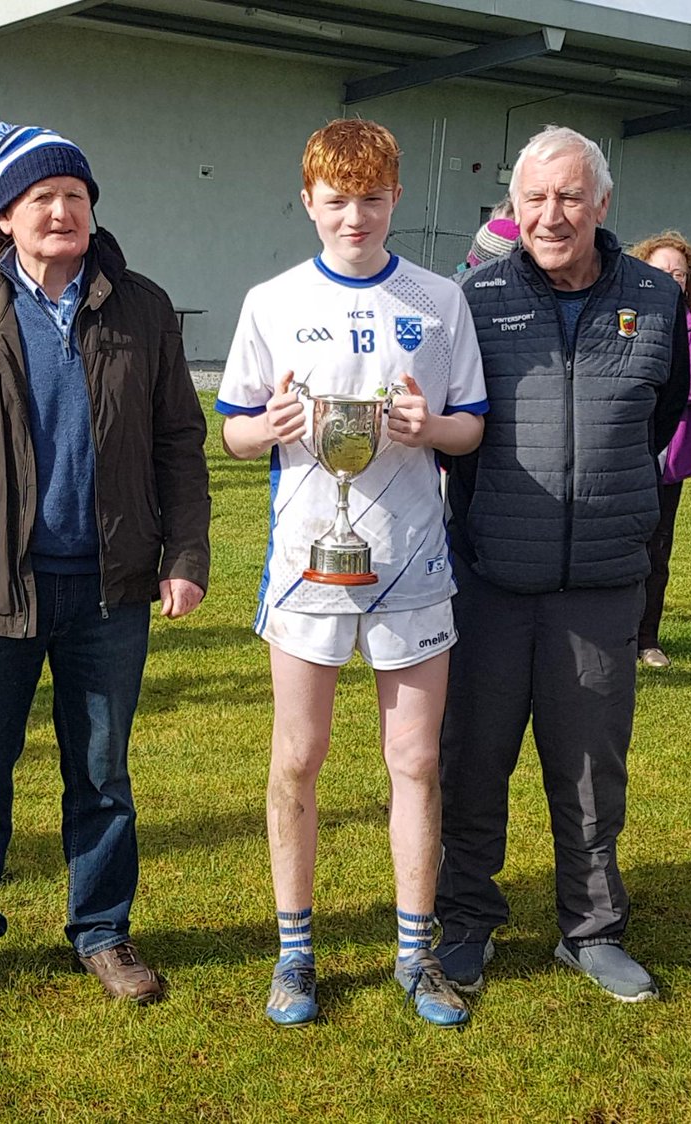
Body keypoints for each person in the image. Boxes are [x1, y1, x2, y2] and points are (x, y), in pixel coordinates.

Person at [0, 121, 210, 1012]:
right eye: (43, 199)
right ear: (8, 216)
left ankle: (104, 932)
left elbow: (179, 446)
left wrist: (183, 554)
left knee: (104, 777)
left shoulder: (141, 309)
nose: (63, 211)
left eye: (76, 196)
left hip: (111, 589)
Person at [216, 118, 488, 1027]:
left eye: (371, 199)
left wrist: (428, 430)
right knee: (299, 756)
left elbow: (470, 426)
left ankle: (417, 956)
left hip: (413, 560)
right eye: (337, 201)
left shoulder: (441, 299)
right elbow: (234, 428)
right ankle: (295, 957)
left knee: (413, 760)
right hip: (307, 564)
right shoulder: (271, 298)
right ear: (309, 201)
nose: (354, 217)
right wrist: (275, 426)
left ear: (396, 198)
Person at [434, 124, 689, 1004]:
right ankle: (465, 919)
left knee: (589, 771)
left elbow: (656, 420)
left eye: (571, 197)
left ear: (602, 204)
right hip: (494, 578)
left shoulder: (655, 298)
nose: (552, 215)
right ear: (513, 207)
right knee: (474, 762)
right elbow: (453, 435)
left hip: (604, 582)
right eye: (535, 198)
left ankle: (591, 931)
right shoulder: (474, 297)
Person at [627, 231, 691, 668]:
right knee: (614, 549)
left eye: (679, 273)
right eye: (662, 269)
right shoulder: (622, 318)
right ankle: (612, 637)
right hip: (619, 455)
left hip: (669, 460)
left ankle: (648, 639)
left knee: (656, 551)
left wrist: (650, 383)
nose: (671, 278)